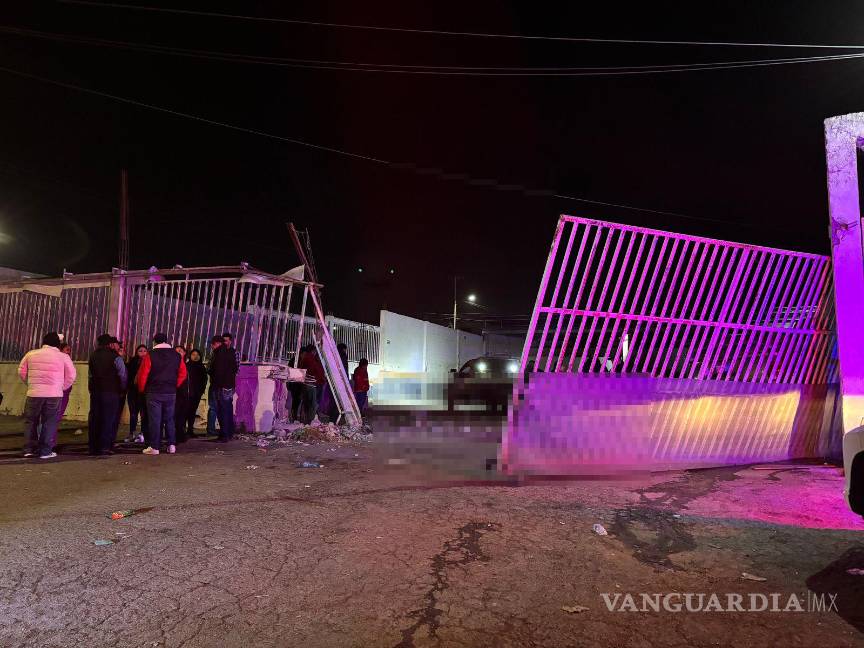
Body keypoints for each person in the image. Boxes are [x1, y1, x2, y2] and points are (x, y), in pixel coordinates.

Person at [18, 332, 76, 459]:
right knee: (49, 421)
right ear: (57, 344)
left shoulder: (31, 354)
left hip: (34, 393)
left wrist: (30, 384)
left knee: (31, 421)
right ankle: (45, 451)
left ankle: (28, 449)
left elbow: (21, 371)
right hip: (54, 394)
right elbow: (71, 375)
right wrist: (61, 387)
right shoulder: (63, 357)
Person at [136, 333, 187, 455]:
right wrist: (174, 385)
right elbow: (183, 373)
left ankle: (155, 447)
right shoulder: (176, 355)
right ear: (166, 341)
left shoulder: (150, 355)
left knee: (155, 420)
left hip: (154, 392)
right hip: (170, 392)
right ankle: (171, 445)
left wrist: (142, 389)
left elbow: (143, 375)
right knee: (169, 419)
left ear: (154, 342)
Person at [87, 334, 127, 456]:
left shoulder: (93, 356)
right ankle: (105, 447)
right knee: (108, 419)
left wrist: (91, 388)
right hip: (111, 392)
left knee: (95, 419)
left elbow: (90, 375)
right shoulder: (115, 357)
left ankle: (93, 447)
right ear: (110, 344)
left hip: (96, 392)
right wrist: (122, 389)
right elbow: (122, 375)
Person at [209, 334, 238, 442]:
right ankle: (228, 433)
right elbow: (235, 368)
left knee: (222, 410)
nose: (212, 347)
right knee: (227, 409)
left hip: (221, 386)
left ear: (216, 343)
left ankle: (224, 435)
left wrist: (215, 381)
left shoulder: (219, 354)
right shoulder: (231, 352)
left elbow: (217, 371)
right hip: (229, 385)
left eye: (212, 345)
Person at [125, 345, 149, 443]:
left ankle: (143, 433)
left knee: (144, 414)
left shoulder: (149, 362)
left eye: (144, 351)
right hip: (133, 392)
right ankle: (132, 432)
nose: (142, 353)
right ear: (136, 352)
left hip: (144, 393)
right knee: (133, 414)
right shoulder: (132, 362)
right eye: (140, 351)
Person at [299, 346, 326, 423]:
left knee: (307, 402)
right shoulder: (312, 359)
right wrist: (322, 379)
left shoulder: (306, 359)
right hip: (313, 383)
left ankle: (306, 420)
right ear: (313, 351)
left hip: (307, 383)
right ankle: (309, 421)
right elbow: (316, 370)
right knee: (312, 403)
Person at [185, 348, 207, 438]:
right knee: (185, 412)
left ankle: (190, 430)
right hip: (187, 393)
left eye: (197, 355)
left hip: (196, 394)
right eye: (193, 354)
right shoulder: (187, 366)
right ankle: (182, 430)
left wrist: (201, 391)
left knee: (192, 412)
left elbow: (204, 380)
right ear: (190, 356)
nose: (195, 356)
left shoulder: (201, 367)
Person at [173, 345, 189, 443]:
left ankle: (180, 435)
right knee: (174, 416)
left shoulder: (187, 365)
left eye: (181, 351)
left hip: (184, 394)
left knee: (182, 416)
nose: (179, 352)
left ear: (184, 353)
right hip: (176, 393)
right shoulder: (172, 365)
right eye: (176, 351)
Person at [58, 342, 73, 419]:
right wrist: (66, 387)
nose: (68, 352)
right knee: (58, 411)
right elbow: (71, 374)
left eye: (69, 350)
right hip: (62, 388)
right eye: (67, 349)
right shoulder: (65, 358)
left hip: (61, 388)